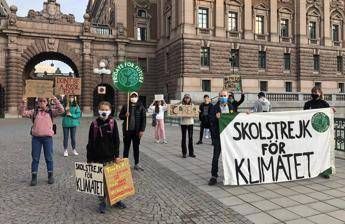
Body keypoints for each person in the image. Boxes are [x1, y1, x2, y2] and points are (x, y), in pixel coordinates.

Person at [86, 101, 126, 213]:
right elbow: (90, 142)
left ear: (110, 110)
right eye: (102, 109)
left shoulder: (113, 123)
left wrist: (117, 156)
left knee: (114, 180)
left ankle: (116, 199)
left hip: (110, 158)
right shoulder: (94, 124)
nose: (104, 111)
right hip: (98, 158)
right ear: (98, 110)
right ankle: (102, 202)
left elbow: (116, 141)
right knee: (101, 181)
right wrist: (89, 158)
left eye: (106, 109)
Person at [20, 96, 64, 186]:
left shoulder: (51, 111)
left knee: (49, 157)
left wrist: (55, 99)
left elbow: (62, 110)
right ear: (38, 102)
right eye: (40, 101)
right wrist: (23, 103)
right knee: (35, 158)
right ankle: (34, 177)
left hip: (47, 138)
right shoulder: (34, 112)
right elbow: (23, 113)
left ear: (47, 102)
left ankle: (50, 175)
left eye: (44, 101)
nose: (42, 102)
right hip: (36, 139)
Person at [303, 86, 336, 179]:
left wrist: (332, 110)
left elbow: (329, 113)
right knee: (312, 151)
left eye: (316, 92)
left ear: (320, 93)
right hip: (311, 132)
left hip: (321, 132)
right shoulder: (307, 104)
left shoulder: (324, 103)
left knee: (324, 151)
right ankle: (312, 168)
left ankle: (325, 171)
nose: (315, 94)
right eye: (313, 92)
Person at [208, 90, 231, 186]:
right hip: (218, 136)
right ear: (218, 97)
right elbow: (210, 120)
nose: (223, 97)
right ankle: (214, 176)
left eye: (224, 95)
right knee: (216, 157)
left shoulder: (232, 106)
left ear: (228, 96)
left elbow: (237, 116)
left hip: (229, 137)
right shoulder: (214, 108)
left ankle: (231, 174)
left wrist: (246, 115)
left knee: (231, 156)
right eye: (221, 96)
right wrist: (215, 118)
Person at [119, 92, 146, 171]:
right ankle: (125, 164)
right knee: (126, 148)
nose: (133, 97)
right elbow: (120, 116)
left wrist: (142, 130)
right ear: (130, 97)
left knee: (136, 148)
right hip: (127, 131)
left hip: (136, 132)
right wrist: (125, 115)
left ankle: (136, 163)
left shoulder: (141, 107)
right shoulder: (126, 106)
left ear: (137, 97)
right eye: (132, 96)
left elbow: (143, 119)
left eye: (135, 96)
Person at [180, 94, 196, 158]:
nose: (187, 99)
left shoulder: (192, 105)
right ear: (184, 98)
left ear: (190, 99)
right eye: (186, 98)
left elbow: (195, 113)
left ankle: (191, 153)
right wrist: (183, 115)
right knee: (183, 138)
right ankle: (184, 153)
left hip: (190, 123)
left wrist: (197, 112)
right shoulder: (181, 105)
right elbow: (178, 114)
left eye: (188, 98)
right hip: (183, 123)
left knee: (190, 138)